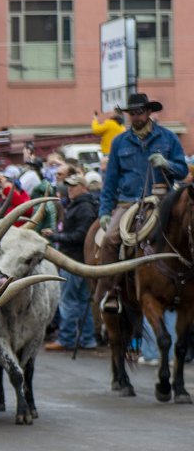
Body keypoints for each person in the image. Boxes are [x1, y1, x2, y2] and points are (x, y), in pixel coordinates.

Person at [95, 93, 187, 312]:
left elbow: (182, 171)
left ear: (148, 112)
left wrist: (167, 164)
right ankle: (111, 292)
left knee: (186, 230)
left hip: (163, 200)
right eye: (132, 113)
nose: (135, 117)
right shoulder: (119, 142)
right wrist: (105, 212)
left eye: (139, 112)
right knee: (109, 240)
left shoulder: (168, 138)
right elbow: (110, 181)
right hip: (128, 203)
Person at [44, 172, 98, 352]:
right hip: (81, 261)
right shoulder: (83, 205)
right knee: (82, 302)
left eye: (73, 186)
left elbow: (81, 236)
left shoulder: (83, 208)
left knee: (68, 301)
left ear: (83, 187)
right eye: (68, 186)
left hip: (73, 261)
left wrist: (57, 237)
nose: (70, 189)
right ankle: (87, 339)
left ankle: (66, 339)